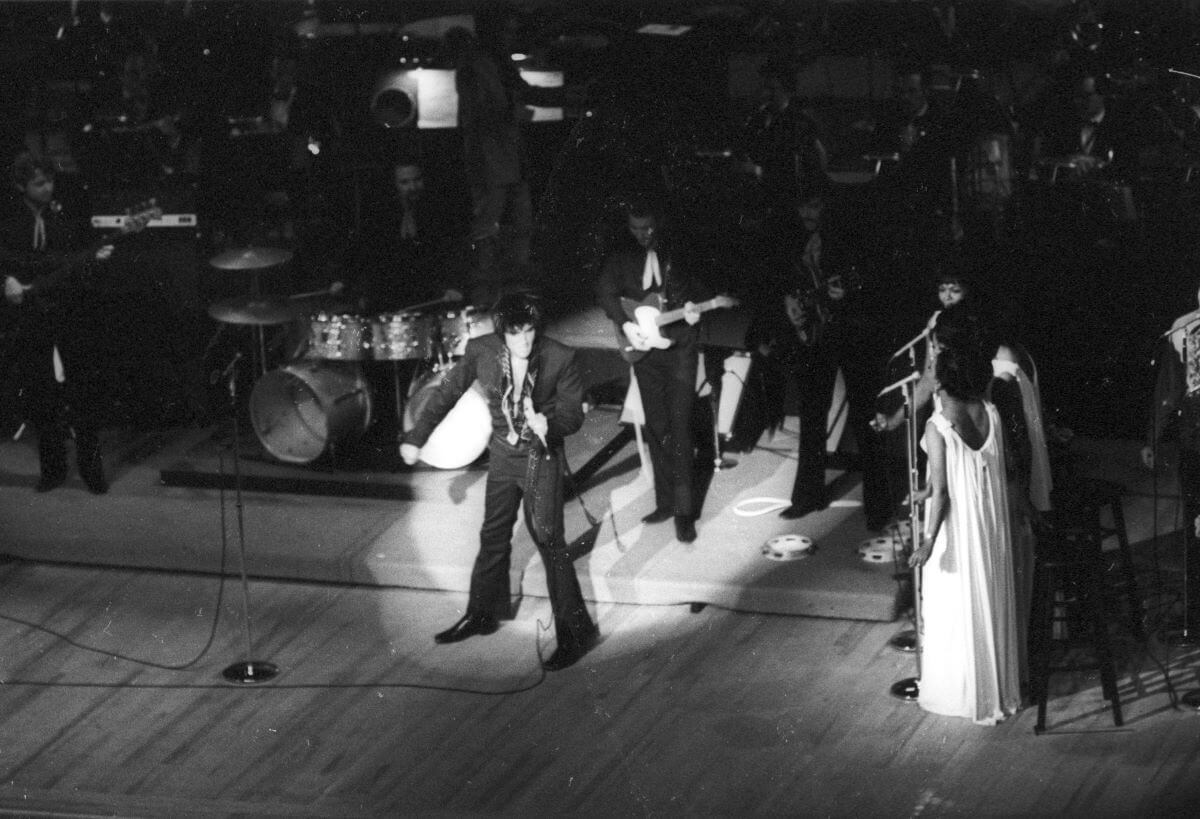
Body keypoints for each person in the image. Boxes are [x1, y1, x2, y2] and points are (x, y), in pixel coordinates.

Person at [400, 292, 598, 671]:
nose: (524, 342)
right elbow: (447, 393)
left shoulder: (560, 356)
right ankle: (483, 614)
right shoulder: (480, 350)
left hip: (542, 457)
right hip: (505, 458)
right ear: (502, 332)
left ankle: (576, 633)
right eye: (515, 334)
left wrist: (550, 425)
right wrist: (417, 436)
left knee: (549, 540)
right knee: (493, 534)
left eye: (529, 333)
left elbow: (573, 415)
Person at [908, 333, 1021, 725]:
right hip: (990, 524)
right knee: (986, 595)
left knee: (957, 605)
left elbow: (944, 495)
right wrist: (924, 491)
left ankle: (965, 693)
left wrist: (926, 543)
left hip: (959, 530)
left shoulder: (938, 425)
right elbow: (975, 471)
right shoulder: (990, 412)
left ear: (940, 383)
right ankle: (997, 688)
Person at [1, 152, 113, 493]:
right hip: (30, 310)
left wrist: (97, 256)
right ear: (21, 186)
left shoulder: (68, 212)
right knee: (39, 389)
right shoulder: (9, 217)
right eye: (39, 183)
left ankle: (91, 469)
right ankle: (52, 469)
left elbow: (80, 253)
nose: (48, 188)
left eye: (50, 180)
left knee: (82, 387)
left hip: (69, 306)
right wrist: (6, 279)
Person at [779, 189, 892, 529]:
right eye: (802, 204)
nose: (806, 212)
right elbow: (782, 278)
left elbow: (879, 277)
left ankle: (878, 507)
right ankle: (806, 496)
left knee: (866, 417)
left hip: (854, 332)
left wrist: (853, 293)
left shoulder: (851, 237)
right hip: (814, 334)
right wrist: (789, 303)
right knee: (812, 414)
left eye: (813, 203)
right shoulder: (793, 237)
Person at [596, 200, 707, 543]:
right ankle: (665, 503)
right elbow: (605, 293)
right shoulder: (620, 256)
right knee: (657, 425)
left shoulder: (679, 249)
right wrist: (626, 325)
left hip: (680, 348)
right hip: (645, 351)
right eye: (635, 228)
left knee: (680, 424)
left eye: (648, 228)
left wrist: (695, 308)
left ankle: (684, 514)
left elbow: (704, 288)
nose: (643, 235)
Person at [1142, 282, 1200, 629]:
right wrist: (1152, 435)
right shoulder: (1182, 329)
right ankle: (1195, 615)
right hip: (1195, 438)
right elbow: (1169, 386)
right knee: (1195, 522)